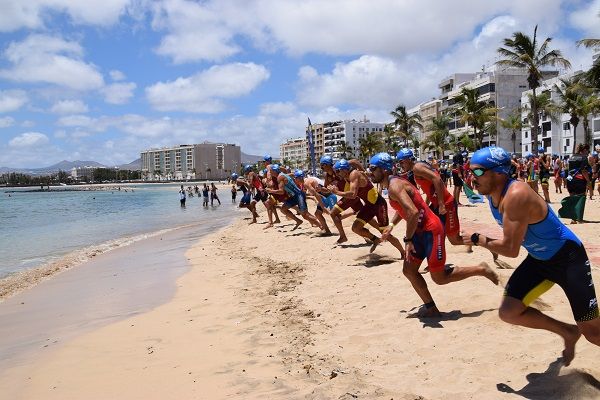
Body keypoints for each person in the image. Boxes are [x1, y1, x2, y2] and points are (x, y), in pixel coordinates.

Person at [464, 146, 599, 366]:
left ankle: (578, 331)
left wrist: (478, 238)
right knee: (509, 312)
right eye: (470, 171)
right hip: (539, 260)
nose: (472, 178)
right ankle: (567, 332)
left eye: (478, 172)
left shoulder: (516, 195)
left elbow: (511, 250)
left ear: (498, 172)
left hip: (568, 258)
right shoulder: (492, 194)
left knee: (593, 333)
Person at [368, 153, 498, 317]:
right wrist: (392, 226)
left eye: (373, 168)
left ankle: (481, 269)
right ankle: (432, 309)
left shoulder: (396, 185)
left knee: (440, 277)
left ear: (384, 169)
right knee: (409, 270)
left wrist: (407, 240)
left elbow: (413, 212)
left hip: (430, 230)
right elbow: (406, 208)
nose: (369, 172)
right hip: (419, 231)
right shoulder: (395, 182)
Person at [328, 158, 405, 257]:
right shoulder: (347, 177)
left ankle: (403, 252)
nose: (336, 173)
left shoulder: (353, 174)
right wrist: (329, 190)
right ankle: (375, 239)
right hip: (369, 205)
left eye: (338, 171)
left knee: (385, 232)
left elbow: (352, 194)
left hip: (378, 204)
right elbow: (346, 193)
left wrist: (336, 192)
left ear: (344, 170)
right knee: (356, 228)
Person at [266, 165, 321, 230]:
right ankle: (298, 221)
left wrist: (270, 191)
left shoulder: (280, 177)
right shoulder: (282, 175)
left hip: (299, 195)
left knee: (305, 214)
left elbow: (281, 192)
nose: (270, 173)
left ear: (274, 171)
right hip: (295, 195)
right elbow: (290, 175)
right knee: (283, 209)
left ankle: (321, 226)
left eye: (271, 171)